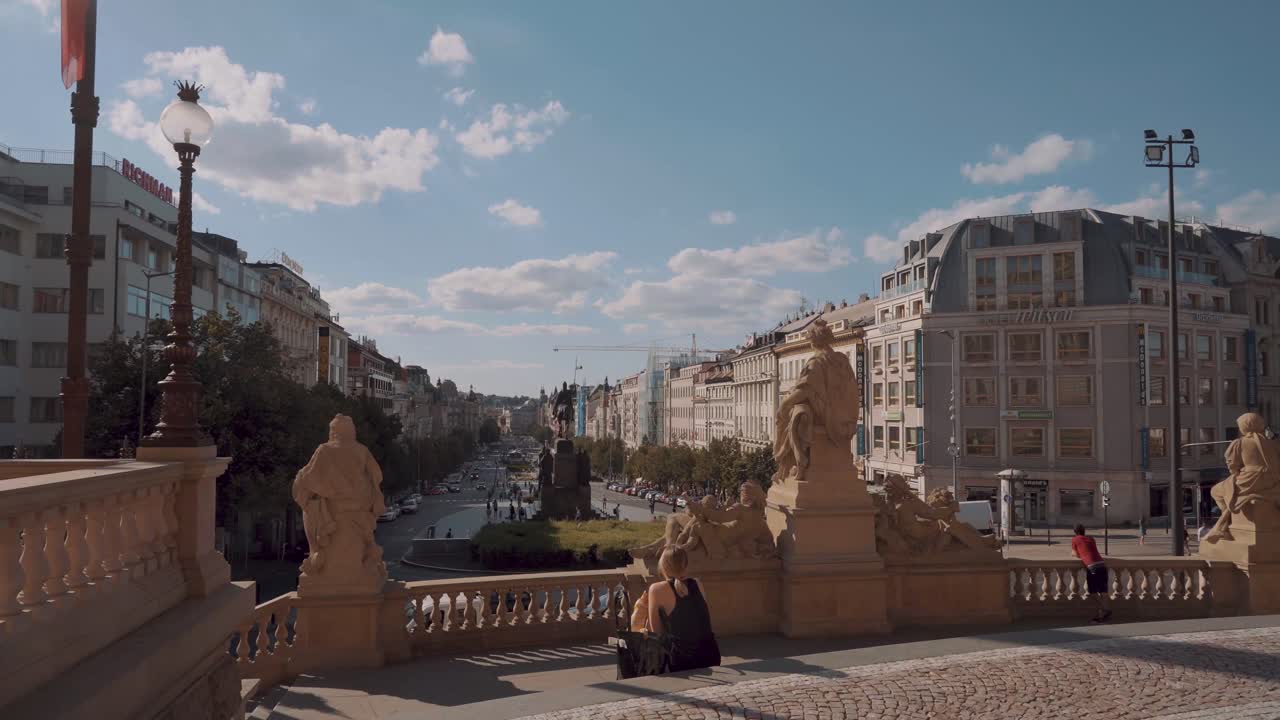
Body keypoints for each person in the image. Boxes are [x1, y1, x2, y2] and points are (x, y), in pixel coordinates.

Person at [644, 546, 721, 673]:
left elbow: (656, 632)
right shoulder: (698, 583)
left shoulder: (656, 589)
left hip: (681, 661)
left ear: (663, 566)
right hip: (711, 656)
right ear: (686, 565)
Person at [1070, 524, 1111, 623]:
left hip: (1092, 567)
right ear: (1084, 531)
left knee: (1093, 592)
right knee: (1103, 591)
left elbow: (1075, 554)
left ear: (1075, 532)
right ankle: (1101, 615)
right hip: (1102, 565)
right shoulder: (1091, 539)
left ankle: (1105, 609)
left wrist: (1075, 553)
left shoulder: (1075, 539)